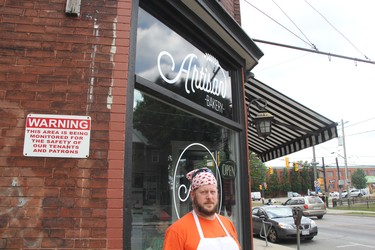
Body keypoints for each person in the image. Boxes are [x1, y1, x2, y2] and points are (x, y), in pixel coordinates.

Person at [163, 167, 241, 250]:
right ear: (192, 195)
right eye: (203, 192)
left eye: (213, 192)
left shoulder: (227, 224)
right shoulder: (177, 231)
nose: (209, 197)